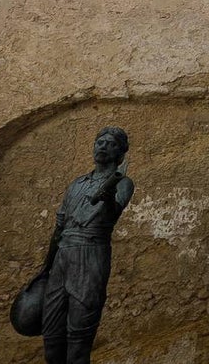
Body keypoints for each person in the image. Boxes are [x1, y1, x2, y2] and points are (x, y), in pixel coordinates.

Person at [41, 127, 135, 364]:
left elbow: (113, 213)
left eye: (111, 144)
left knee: (79, 340)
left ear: (120, 153)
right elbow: (59, 228)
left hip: (91, 254)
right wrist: (45, 268)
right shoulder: (76, 184)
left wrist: (107, 198)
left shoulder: (122, 183)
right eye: (100, 142)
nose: (103, 146)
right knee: (52, 337)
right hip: (62, 257)